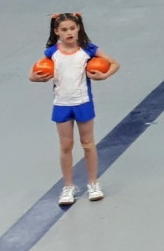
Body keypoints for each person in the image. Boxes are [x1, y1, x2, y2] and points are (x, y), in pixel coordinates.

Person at [32, 13, 118, 205]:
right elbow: (33, 73)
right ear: (56, 32)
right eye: (64, 30)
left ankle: (93, 183)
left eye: (72, 28)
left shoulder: (87, 49)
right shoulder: (52, 52)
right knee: (65, 146)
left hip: (83, 102)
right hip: (61, 104)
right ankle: (68, 186)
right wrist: (35, 78)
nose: (69, 32)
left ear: (78, 28)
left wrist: (104, 76)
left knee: (88, 144)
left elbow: (114, 63)